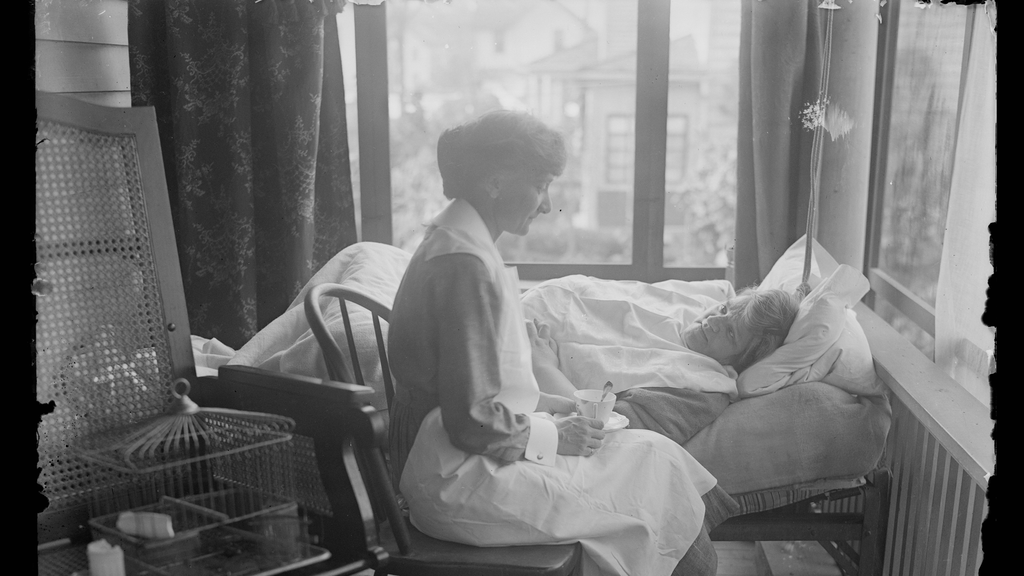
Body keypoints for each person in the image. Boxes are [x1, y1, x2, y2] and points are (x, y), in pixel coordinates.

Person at [387, 109, 735, 576]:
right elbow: (470, 421)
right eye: (541, 184)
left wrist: (558, 406)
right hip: (456, 473)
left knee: (656, 455)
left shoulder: (459, 241)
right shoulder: (462, 266)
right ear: (494, 183)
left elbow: (481, 392)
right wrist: (557, 433)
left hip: (464, 453)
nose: (548, 204)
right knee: (653, 477)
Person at [528, 288, 800, 400]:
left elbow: (598, 424)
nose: (715, 322)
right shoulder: (683, 305)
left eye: (730, 334)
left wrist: (544, 368)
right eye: (724, 310)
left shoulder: (700, 389)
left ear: (741, 360)